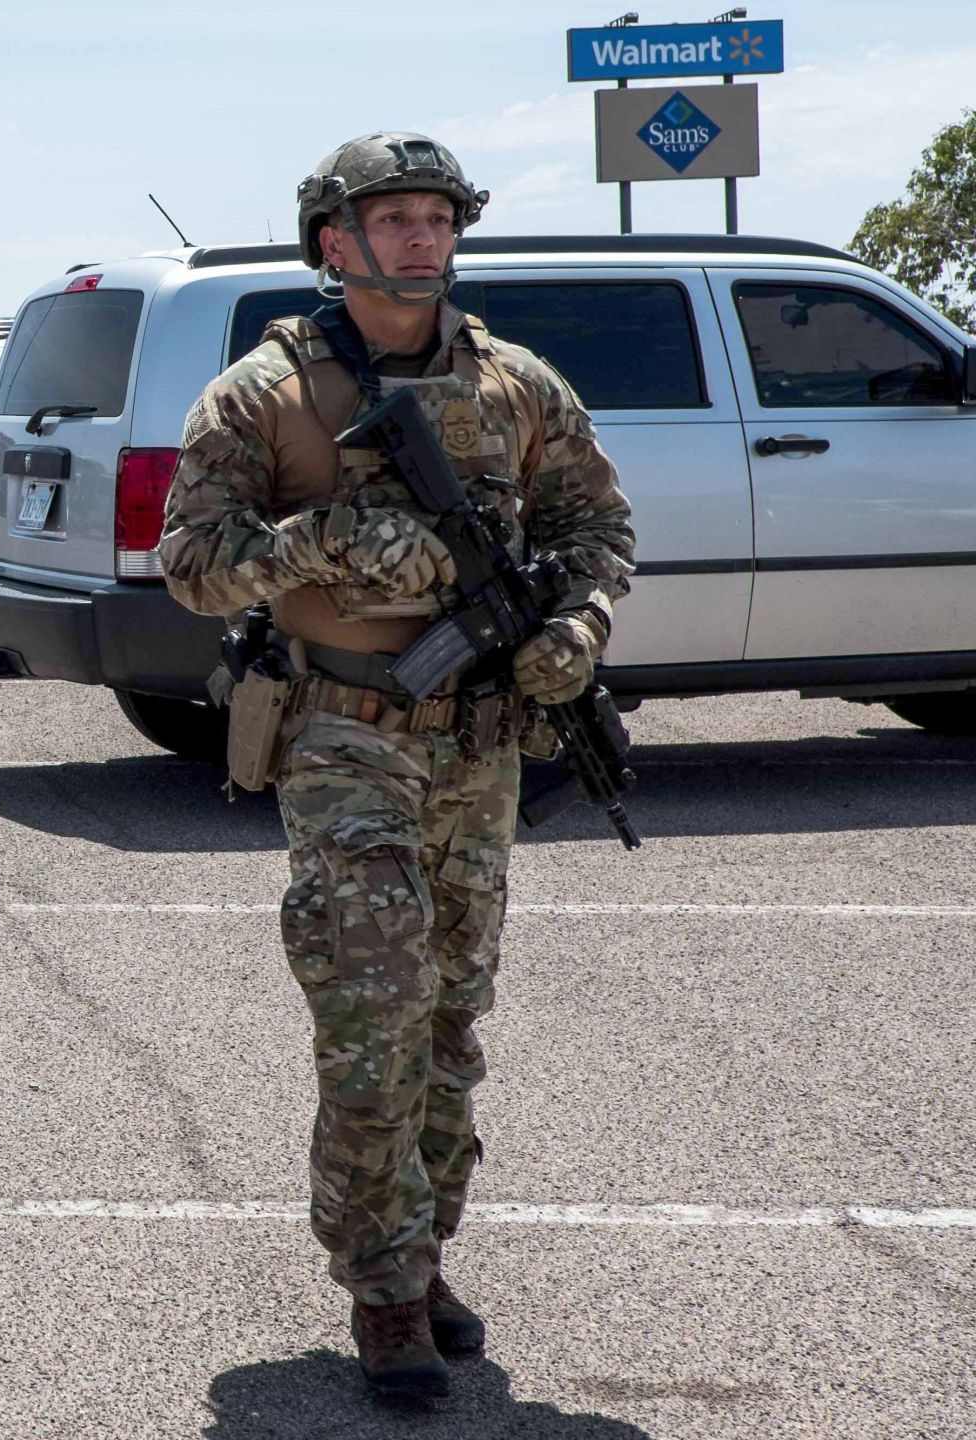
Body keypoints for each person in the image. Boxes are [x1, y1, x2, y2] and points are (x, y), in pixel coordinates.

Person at [158, 132, 634, 1401]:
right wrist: (329, 543)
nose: (422, 237)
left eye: (437, 216)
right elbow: (194, 563)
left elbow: (595, 525)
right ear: (334, 242)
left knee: (449, 1017)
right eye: (394, 218)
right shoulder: (265, 395)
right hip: (344, 730)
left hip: (478, 745)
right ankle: (381, 1289)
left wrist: (575, 633)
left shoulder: (517, 383)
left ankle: (422, 1253)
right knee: (370, 1005)